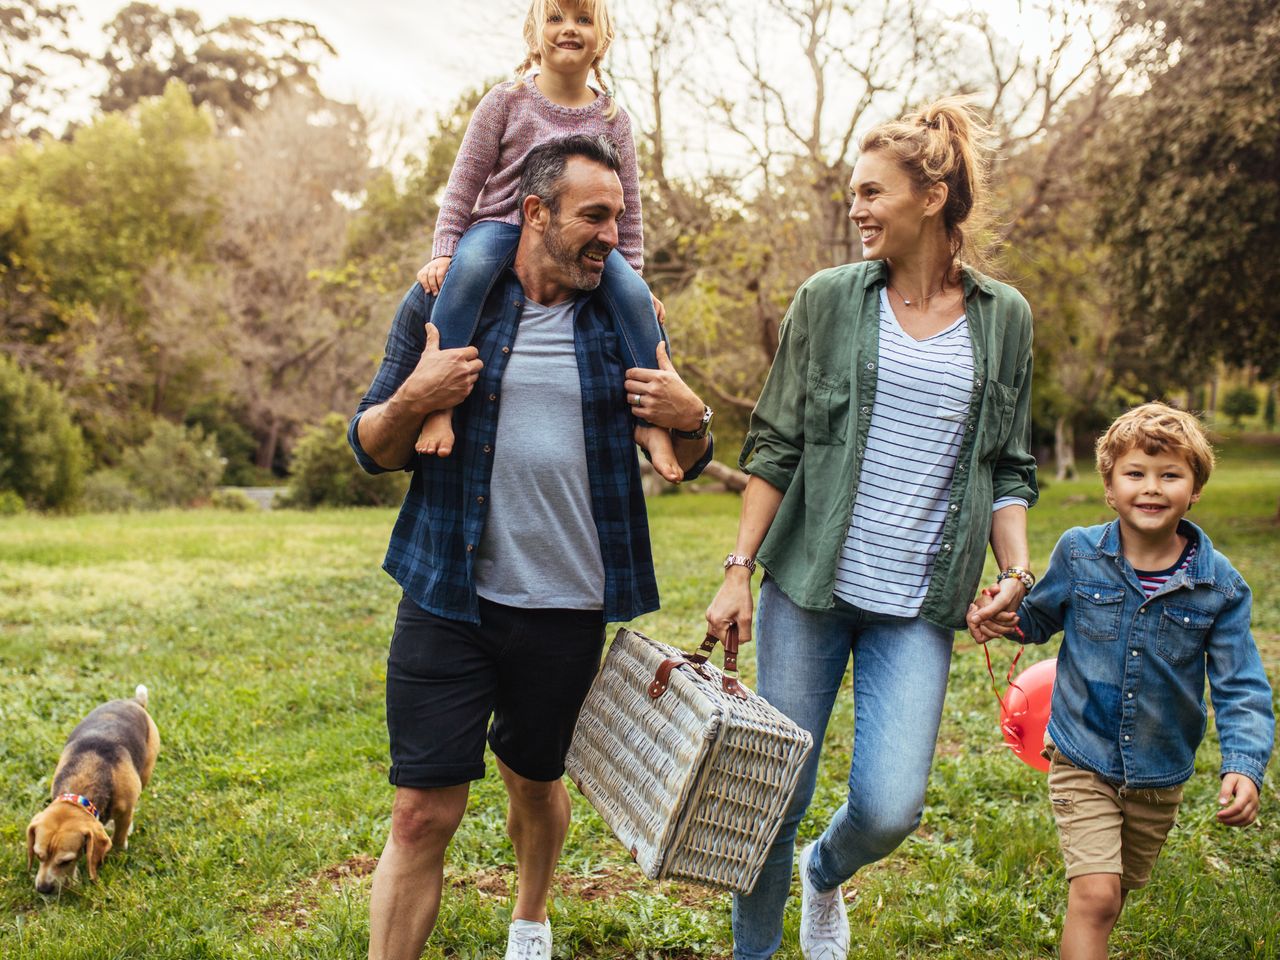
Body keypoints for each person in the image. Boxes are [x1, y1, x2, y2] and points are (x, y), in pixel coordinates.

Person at [348, 134, 714, 960]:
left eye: (618, 219)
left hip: (565, 606)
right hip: (448, 595)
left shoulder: (623, 319)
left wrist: (693, 420)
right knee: (420, 813)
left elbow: (685, 461)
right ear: (535, 212)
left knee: (534, 778)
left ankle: (531, 915)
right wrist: (419, 395)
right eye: (593, 217)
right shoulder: (450, 304)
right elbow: (371, 445)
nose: (610, 237)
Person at [704, 97, 1039, 960]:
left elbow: (1008, 464)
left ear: (932, 196)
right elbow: (775, 443)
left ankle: (825, 872)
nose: (856, 208)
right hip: (810, 588)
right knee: (771, 792)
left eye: (871, 192)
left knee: (892, 806)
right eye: (853, 193)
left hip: (918, 605)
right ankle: (756, 952)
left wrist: (1016, 569)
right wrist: (739, 569)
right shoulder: (826, 300)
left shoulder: (1005, 320)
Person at [981, 403, 1274, 960]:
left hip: (1158, 772)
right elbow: (1040, 617)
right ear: (1111, 488)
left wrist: (1243, 765)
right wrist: (1002, 617)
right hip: (1081, 754)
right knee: (1094, 896)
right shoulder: (1078, 552)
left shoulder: (1220, 587)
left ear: (1195, 490)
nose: (1151, 488)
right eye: (1135, 473)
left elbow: (1242, 686)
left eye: (1170, 475)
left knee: (1118, 891)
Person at [412, 0, 682, 483]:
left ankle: (653, 421)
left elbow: (630, 206)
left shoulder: (613, 117)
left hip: (581, 237)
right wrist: (446, 249)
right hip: (500, 225)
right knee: (467, 274)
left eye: (583, 20)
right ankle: (439, 406)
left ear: (603, 36)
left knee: (639, 304)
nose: (569, 30)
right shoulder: (506, 100)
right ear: (535, 33)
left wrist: (635, 274)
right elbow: (464, 181)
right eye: (556, 19)